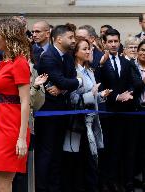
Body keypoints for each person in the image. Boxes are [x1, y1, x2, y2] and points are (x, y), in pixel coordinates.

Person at [0, 18, 31, 192]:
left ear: (8, 36)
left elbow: (25, 101)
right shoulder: (4, 62)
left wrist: (22, 138)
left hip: (12, 129)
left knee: (2, 185)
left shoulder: (20, 63)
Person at [35, 24, 82, 192]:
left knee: (57, 152)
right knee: (47, 152)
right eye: (70, 37)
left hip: (63, 110)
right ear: (58, 38)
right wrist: (73, 82)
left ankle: (54, 187)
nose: (73, 40)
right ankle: (42, 187)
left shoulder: (68, 57)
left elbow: (67, 81)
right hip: (48, 112)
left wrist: (65, 86)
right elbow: (66, 80)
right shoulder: (48, 57)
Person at [63, 39, 111, 192]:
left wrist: (101, 95)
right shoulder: (72, 72)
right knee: (77, 161)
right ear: (76, 52)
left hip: (90, 123)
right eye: (85, 49)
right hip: (77, 124)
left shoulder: (89, 71)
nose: (89, 51)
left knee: (91, 160)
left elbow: (92, 97)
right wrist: (92, 94)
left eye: (89, 49)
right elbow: (72, 98)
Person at [97, 28, 135, 192]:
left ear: (120, 43)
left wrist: (129, 94)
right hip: (106, 113)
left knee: (119, 148)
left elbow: (132, 82)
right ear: (104, 43)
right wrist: (115, 97)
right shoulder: (100, 62)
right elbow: (98, 85)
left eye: (116, 41)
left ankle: (116, 181)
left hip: (123, 113)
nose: (113, 44)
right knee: (105, 148)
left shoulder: (126, 63)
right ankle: (104, 182)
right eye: (110, 42)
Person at [131, 40, 145, 192]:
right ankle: (135, 178)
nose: (143, 52)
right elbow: (134, 86)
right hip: (136, 111)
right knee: (137, 146)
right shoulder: (132, 67)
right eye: (141, 49)